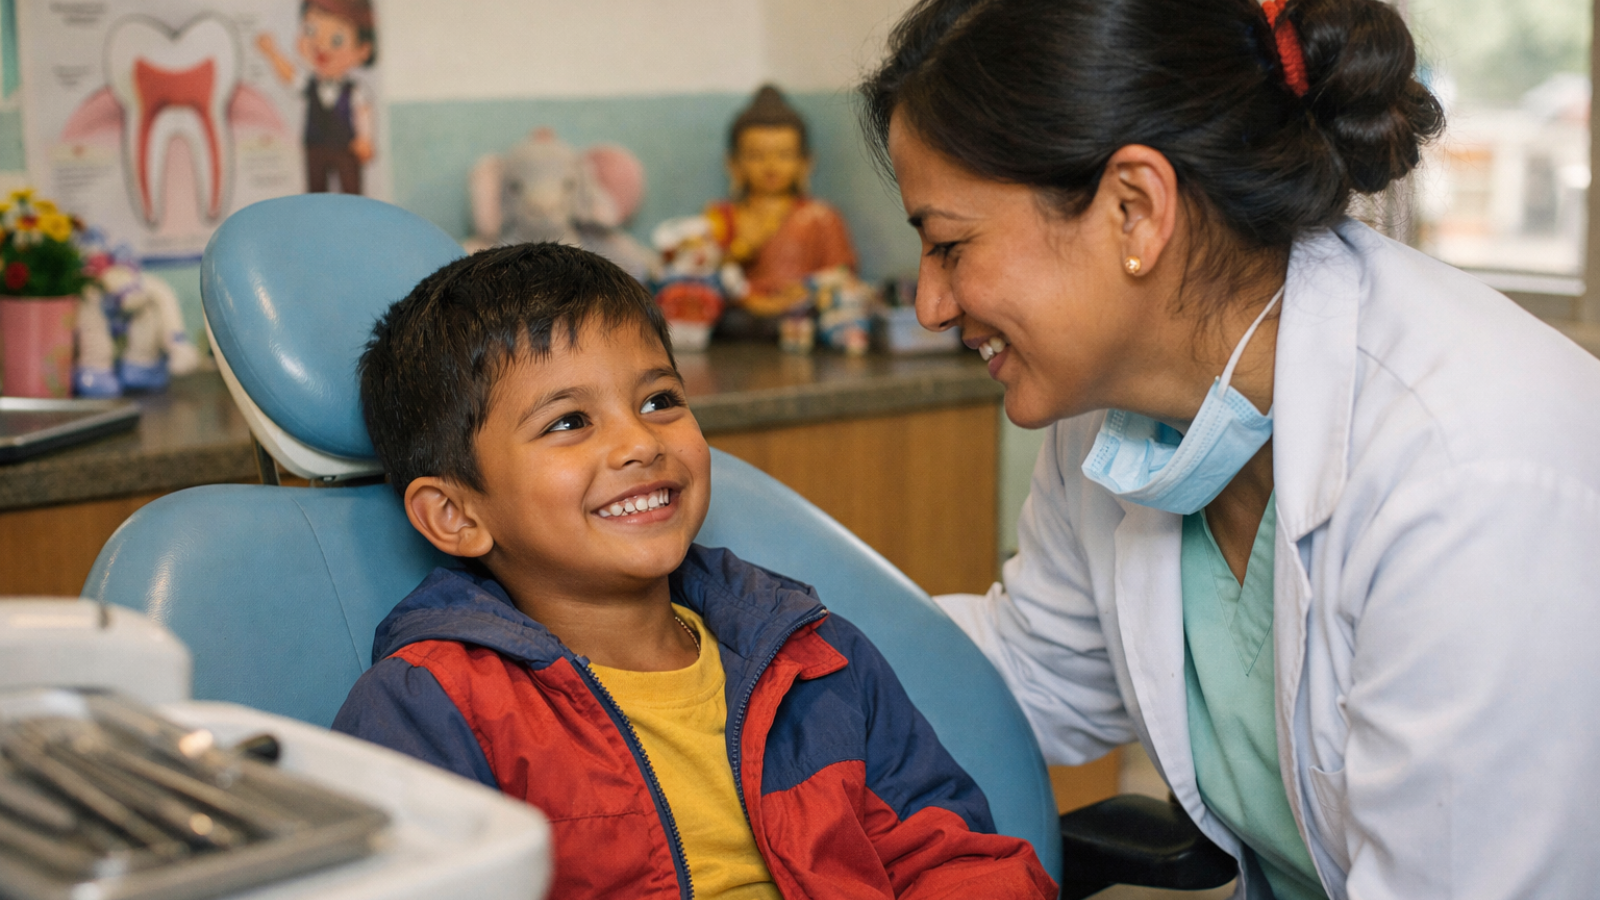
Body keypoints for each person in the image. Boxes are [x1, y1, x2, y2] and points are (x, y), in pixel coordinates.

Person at [862, 0, 1600, 897]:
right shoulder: (1114, 420)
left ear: (1135, 209)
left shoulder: (1469, 473)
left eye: (950, 245)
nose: (933, 305)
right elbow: (1030, 677)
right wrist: (735, 643)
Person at [331, 243, 1056, 900]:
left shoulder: (811, 658)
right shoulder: (429, 711)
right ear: (456, 517)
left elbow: (951, 858)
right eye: (568, 422)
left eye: (659, 400)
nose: (639, 442)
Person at [706, 84, 858, 321]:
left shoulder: (821, 217)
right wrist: (737, 252)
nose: (771, 165)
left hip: (802, 310)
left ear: (806, 163)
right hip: (742, 315)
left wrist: (807, 288)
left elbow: (842, 273)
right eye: (756, 155)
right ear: (733, 165)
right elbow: (703, 272)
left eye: (784, 154)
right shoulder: (722, 216)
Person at [257, 0, 377, 194]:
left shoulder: (354, 90)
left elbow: (363, 112)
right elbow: (290, 76)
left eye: (336, 39)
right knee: (316, 192)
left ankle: (353, 222)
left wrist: (365, 139)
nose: (321, 44)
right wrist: (272, 53)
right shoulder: (310, 84)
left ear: (363, 50)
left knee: (351, 190)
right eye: (311, 31)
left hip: (345, 148)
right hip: (315, 146)